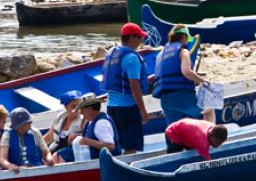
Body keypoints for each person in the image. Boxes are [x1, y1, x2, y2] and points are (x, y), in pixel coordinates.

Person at [101, 22, 150, 154]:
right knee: (130, 146)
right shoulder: (131, 58)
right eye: (139, 37)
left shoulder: (112, 53)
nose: (141, 41)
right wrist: (143, 110)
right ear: (132, 38)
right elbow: (134, 86)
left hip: (112, 107)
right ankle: (127, 169)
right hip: (128, 109)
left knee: (119, 144)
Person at [153, 24, 213, 126]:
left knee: (174, 130)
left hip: (165, 100)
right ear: (184, 37)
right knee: (209, 108)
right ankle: (208, 135)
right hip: (182, 97)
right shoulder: (183, 51)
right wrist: (202, 81)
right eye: (187, 39)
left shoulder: (160, 54)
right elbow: (186, 71)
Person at [61, 94, 121, 162]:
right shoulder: (92, 121)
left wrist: (88, 141)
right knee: (64, 153)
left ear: (89, 109)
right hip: (96, 161)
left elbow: (110, 146)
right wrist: (78, 136)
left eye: (82, 110)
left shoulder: (101, 123)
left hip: (106, 163)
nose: (81, 113)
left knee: (64, 154)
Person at [0, 107, 54, 172]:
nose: (30, 123)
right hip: (16, 173)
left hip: (37, 171)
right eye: (28, 122)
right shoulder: (7, 135)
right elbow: (2, 158)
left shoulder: (35, 132)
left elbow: (46, 152)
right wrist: (10, 166)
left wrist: (49, 158)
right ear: (19, 125)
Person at [43, 90, 84, 163]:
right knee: (44, 157)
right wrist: (36, 145)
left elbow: (87, 137)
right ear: (65, 106)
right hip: (55, 150)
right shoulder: (59, 118)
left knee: (58, 156)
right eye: (73, 106)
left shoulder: (83, 120)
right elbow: (49, 136)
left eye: (79, 105)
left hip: (73, 152)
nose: (77, 109)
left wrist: (77, 136)